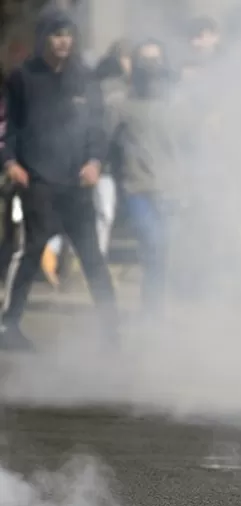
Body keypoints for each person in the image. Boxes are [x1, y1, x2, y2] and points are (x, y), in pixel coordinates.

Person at [0, 7, 118, 351]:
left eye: (67, 34)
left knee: (92, 255)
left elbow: (98, 127)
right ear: (43, 38)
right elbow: (10, 127)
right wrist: (9, 162)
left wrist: (95, 161)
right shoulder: (22, 77)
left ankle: (111, 330)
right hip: (37, 181)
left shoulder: (85, 77)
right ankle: (9, 326)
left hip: (78, 183)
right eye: (56, 34)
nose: (63, 41)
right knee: (30, 251)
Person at [42, 38, 132, 287]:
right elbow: (106, 130)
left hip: (93, 164)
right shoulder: (114, 92)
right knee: (97, 214)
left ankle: (69, 256)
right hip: (97, 165)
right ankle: (71, 257)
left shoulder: (96, 90)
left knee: (93, 215)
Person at [111, 39, 187, 317]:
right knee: (152, 244)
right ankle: (151, 311)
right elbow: (106, 142)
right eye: (145, 61)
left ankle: (154, 310)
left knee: (163, 252)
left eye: (156, 60)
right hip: (138, 188)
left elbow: (189, 146)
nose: (151, 67)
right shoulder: (122, 104)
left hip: (170, 188)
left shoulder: (177, 104)